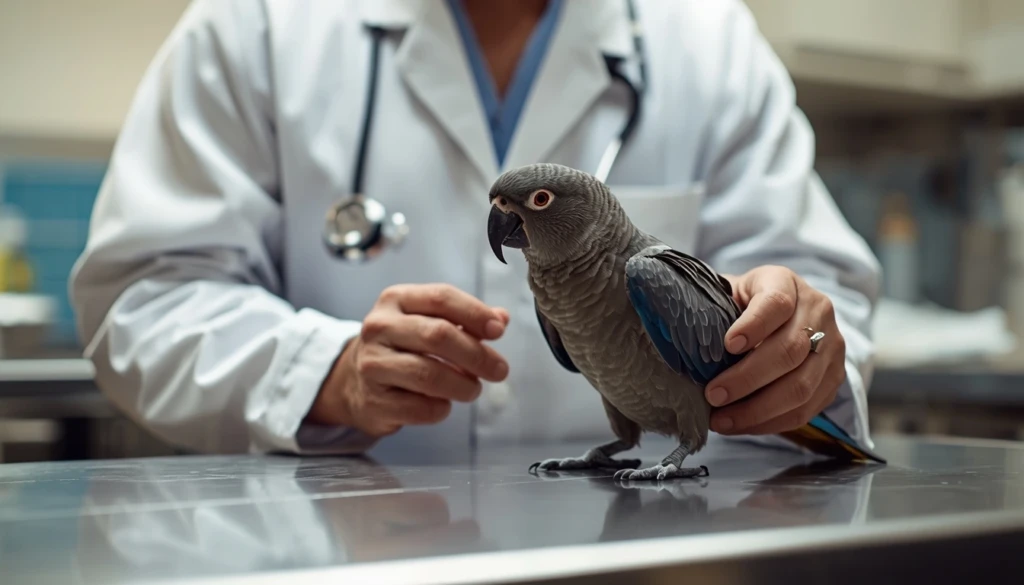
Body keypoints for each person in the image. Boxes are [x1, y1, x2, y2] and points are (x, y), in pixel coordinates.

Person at [70, 0, 880, 458]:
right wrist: (322, 372)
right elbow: (146, 296)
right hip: (343, 548)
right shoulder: (251, 26)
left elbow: (813, 283)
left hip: (651, 548)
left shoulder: (708, 40)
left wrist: (797, 345)